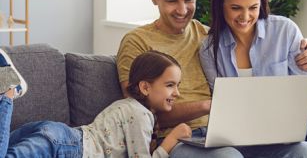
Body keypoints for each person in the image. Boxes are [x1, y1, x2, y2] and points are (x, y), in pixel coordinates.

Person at [117, 0, 307, 158]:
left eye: (189, 0)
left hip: (227, 136)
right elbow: (137, 112)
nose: (182, 10)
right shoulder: (137, 41)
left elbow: (249, 39)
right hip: (177, 139)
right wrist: (208, 105)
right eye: (172, 1)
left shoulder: (207, 37)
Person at [199, 0, 307, 158]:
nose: (245, 17)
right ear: (221, 4)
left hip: (301, 132)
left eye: (253, 8)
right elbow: (222, 107)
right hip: (244, 141)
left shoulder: (285, 30)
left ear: (262, 3)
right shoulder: (209, 48)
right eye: (235, 8)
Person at [0, 49, 192, 157]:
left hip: (59, 135)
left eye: (177, 85)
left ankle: (6, 84)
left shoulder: (126, 106)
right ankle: (8, 93)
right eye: (170, 85)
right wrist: (171, 141)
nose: (177, 93)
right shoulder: (141, 114)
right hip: (69, 146)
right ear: (145, 87)